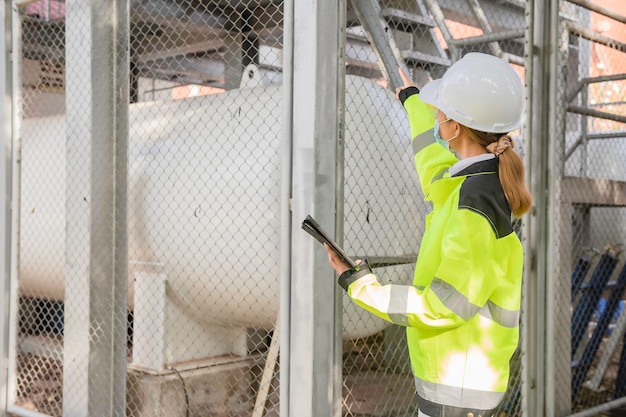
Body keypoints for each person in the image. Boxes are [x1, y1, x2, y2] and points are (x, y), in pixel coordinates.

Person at [325, 52, 532, 417]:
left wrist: (361, 286)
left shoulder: (473, 206)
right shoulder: (474, 182)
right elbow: (433, 169)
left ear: (455, 127)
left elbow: (444, 305)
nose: (435, 117)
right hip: (464, 381)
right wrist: (414, 104)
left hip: (457, 390)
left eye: (439, 112)